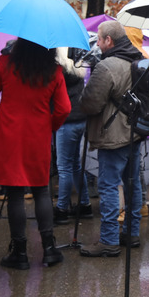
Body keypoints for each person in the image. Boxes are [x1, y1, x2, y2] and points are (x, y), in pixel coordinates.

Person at [0, 39, 70, 269]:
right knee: (42, 190)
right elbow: (64, 108)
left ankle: (19, 253)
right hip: (37, 134)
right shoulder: (54, 70)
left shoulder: (6, 64)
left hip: (8, 134)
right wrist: (50, 125)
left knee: (15, 193)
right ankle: (49, 250)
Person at [78, 21, 145, 257]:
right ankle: (131, 233)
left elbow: (91, 103)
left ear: (109, 41)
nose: (97, 43)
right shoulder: (138, 58)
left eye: (99, 39)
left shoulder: (107, 66)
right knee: (132, 184)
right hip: (134, 132)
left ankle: (108, 240)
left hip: (113, 134)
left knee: (107, 185)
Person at [53, 46, 93, 223]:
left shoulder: (58, 69)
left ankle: (62, 208)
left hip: (66, 120)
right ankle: (84, 204)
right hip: (80, 117)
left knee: (64, 167)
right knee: (76, 165)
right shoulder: (77, 66)